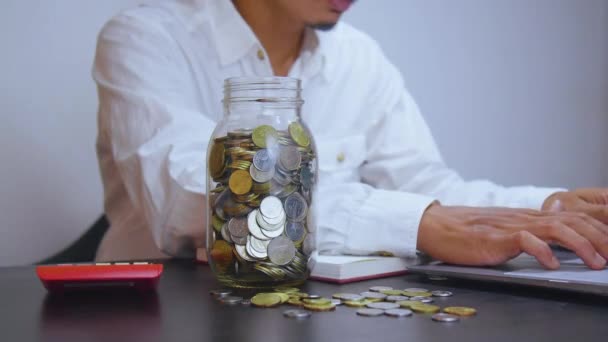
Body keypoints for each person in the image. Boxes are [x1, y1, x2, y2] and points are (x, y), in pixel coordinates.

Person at [93, 0, 608, 269]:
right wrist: (416, 224)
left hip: (312, 311)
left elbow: (423, 183)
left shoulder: (359, 57)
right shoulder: (146, 38)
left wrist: (550, 209)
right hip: (158, 313)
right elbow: (195, 196)